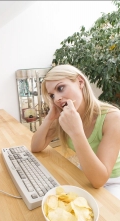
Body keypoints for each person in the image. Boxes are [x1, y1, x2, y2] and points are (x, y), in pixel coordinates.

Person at [31, 64, 120, 199]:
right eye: (52, 95)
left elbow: (99, 180)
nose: (57, 98)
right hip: (85, 170)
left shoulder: (113, 118)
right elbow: (35, 147)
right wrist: (50, 117)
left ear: (80, 82)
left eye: (60, 88)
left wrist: (76, 132)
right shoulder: (66, 117)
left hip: (113, 180)